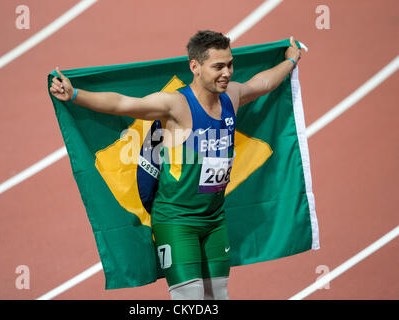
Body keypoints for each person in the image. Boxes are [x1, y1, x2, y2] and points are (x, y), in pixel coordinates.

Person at [50, 30, 301, 300]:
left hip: (215, 218)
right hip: (176, 220)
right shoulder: (176, 106)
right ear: (195, 67)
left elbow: (262, 83)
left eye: (230, 64)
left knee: (218, 296)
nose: (226, 73)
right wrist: (75, 94)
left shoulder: (232, 97)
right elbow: (123, 103)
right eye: (218, 66)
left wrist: (290, 61)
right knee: (190, 300)